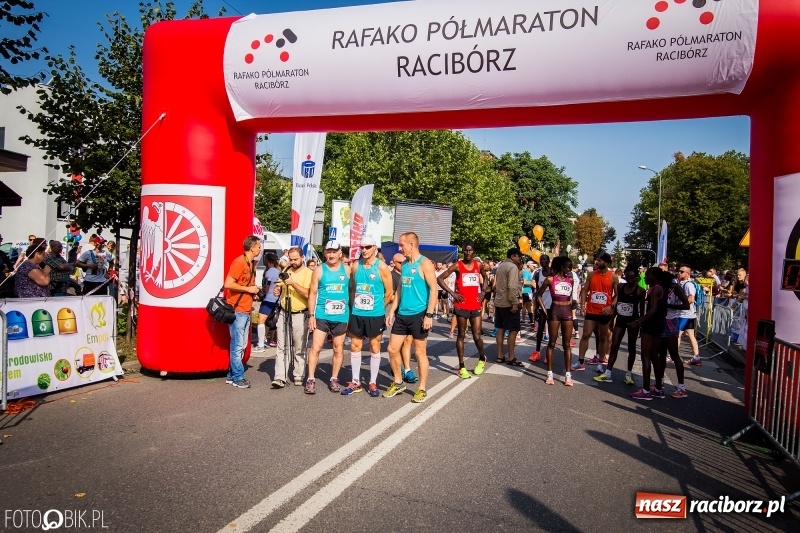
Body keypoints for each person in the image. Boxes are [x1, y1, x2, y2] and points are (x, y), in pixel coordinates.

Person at [385, 232, 439, 403]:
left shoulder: (425, 263)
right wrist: (392, 310)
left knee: (420, 352)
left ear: (411, 245)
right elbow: (400, 288)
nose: (400, 249)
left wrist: (429, 314)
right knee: (392, 349)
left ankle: (422, 389)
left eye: (402, 245)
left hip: (419, 314)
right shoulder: (406, 265)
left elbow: (434, 290)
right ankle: (398, 382)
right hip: (402, 314)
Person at [342, 236, 393, 396]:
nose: (364, 250)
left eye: (367, 247)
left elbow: (389, 292)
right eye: (362, 247)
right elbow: (351, 287)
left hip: (375, 314)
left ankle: (372, 382)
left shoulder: (382, 267)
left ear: (375, 248)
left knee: (374, 346)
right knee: (355, 346)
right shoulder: (356, 265)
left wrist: (379, 307)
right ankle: (356, 381)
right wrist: (352, 305)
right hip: (357, 313)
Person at [437, 241, 488, 378]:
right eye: (465, 250)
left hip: (475, 305)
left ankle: (482, 359)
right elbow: (440, 278)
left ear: (474, 251)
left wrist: (483, 292)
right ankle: (462, 366)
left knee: (477, 336)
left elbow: (486, 279)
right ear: (463, 251)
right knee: (460, 335)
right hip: (461, 305)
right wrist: (452, 293)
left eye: (470, 250)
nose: (468, 253)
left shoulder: (478, 265)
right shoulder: (457, 266)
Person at [306, 240, 351, 394]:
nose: (331, 255)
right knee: (316, 348)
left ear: (340, 253)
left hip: (341, 316)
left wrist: (351, 314)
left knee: (338, 349)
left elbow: (352, 292)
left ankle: (333, 378)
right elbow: (312, 294)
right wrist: (311, 315)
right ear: (325, 253)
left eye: (334, 252)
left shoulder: (347, 270)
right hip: (322, 315)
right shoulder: (319, 270)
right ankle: (310, 379)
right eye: (328, 252)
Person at [594, 265, 645, 385]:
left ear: (637, 278)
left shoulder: (640, 291)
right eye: (627, 278)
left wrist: (639, 324)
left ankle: (628, 374)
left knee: (631, 348)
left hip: (633, 321)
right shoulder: (621, 286)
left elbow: (642, 310)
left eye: (632, 278)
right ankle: (608, 373)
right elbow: (618, 304)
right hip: (620, 320)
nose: (630, 281)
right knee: (615, 345)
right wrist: (612, 319)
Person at [222, 236, 261, 389]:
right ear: (252, 247)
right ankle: (238, 377)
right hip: (237, 310)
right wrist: (248, 289)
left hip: (245, 310)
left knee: (241, 344)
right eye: (258, 246)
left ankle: (232, 376)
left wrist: (253, 292)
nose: (259, 249)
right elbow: (228, 284)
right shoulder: (240, 262)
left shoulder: (251, 264)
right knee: (238, 345)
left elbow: (244, 284)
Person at [271, 247, 312, 389]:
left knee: (299, 347)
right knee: (281, 346)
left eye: (296, 259)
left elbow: (308, 294)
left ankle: (298, 375)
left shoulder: (308, 273)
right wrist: (277, 290)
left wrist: (293, 283)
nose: (293, 262)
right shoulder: (286, 270)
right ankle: (280, 377)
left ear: (302, 257)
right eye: (291, 259)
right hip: (284, 312)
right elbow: (279, 286)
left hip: (300, 314)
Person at [627, 267, 668, 400]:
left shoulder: (656, 288)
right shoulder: (660, 288)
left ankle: (645, 391)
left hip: (651, 325)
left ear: (653, 276)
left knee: (646, 356)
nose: (645, 277)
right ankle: (658, 388)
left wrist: (638, 322)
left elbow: (653, 309)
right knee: (654, 357)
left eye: (648, 275)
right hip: (658, 324)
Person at [536, 256, 577, 385]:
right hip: (554, 311)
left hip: (567, 313)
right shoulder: (550, 279)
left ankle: (568, 376)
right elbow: (538, 295)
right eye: (568, 267)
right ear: (561, 267)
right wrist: (544, 310)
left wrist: (571, 309)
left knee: (566, 344)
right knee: (552, 343)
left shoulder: (570, 280)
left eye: (571, 267)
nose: (570, 270)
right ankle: (550, 374)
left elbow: (570, 297)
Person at [574, 250, 618, 371]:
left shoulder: (613, 277)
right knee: (586, 334)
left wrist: (611, 306)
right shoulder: (592, 274)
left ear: (607, 262)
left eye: (599, 260)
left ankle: (600, 362)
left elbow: (617, 295)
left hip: (605, 312)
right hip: (591, 310)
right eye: (596, 260)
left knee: (603, 337)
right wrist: (582, 305)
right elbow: (584, 290)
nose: (596, 262)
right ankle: (580, 361)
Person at [654, 270, 690, 399]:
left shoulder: (676, 288)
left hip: (670, 323)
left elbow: (686, 305)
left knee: (675, 356)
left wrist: (668, 305)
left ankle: (681, 387)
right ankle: (660, 383)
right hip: (661, 322)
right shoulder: (661, 288)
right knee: (661, 355)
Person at [390, 253, 418, 384]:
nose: (402, 264)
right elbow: (389, 295)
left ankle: (406, 369)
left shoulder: (408, 272)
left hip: (411, 312)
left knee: (408, 341)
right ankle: (400, 368)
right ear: (393, 263)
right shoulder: (392, 276)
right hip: (399, 312)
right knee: (397, 345)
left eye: (404, 262)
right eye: (399, 262)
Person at [494, 248, 524, 366]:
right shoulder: (512, 267)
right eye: (518, 256)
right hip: (508, 302)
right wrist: (514, 303)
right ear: (513, 256)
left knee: (500, 328)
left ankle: (500, 355)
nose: (519, 258)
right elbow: (512, 286)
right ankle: (511, 357)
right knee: (514, 329)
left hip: (499, 301)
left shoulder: (501, 265)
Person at [253, 252, 280, 352]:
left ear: (267, 261)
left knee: (260, 321)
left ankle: (261, 345)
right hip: (276, 299)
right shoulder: (277, 271)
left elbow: (267, 287)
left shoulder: (269, 272)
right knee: (268, 322)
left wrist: (260, 291)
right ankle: (264, 341)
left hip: (268, 299)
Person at [676, 264, 702, 368]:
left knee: (677, 334)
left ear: (688, 274)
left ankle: (673, 355)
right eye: (679, 271)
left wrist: (678, 304)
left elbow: (691, 299)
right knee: (690, 334)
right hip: (688, 314)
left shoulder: (688, 285)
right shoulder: (683, 283)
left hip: (685, 314)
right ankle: (696, 357)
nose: (679, 273)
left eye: (682, 272)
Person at [529, 254, 551, 363]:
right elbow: (537, 292)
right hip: (543, 305)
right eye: (541, 260)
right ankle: (537, 351)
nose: (543, 261)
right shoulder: (538, 274)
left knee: (552, 331)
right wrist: (536, 308)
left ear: (549, 261)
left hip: (553, 306)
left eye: (545, 259)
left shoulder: (554, 273)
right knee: (540, 329)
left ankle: (549, 353)